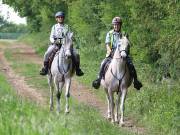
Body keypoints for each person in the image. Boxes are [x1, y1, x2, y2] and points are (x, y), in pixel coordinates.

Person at [92, 16, 142, 90]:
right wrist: (109, 51)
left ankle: (135, 81)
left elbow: (126, 44)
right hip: (111, 53)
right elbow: (107, 44)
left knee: (131, 64)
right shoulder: (110, 33)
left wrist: (125, 52)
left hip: (122, 53)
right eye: (115, 25)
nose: (116, 26)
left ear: (120, 25)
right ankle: (99, 79)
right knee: (103, 63)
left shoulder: (124, 34)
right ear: (113, 25)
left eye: (117, 24)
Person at [40, 11, 84, 76]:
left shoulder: (67, 27)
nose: (60, 18)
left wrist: (71, 38)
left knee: (76, 54)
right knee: (47, 53)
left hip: (66, 45)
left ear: (63, 18)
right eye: (59, 17)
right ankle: (45, 68)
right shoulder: (54, 27)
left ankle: (78, 69)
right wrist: (53, 41)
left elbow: (69, 36)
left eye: (62, 17)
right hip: (56, 44)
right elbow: (51, 36)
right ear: (56, 19)